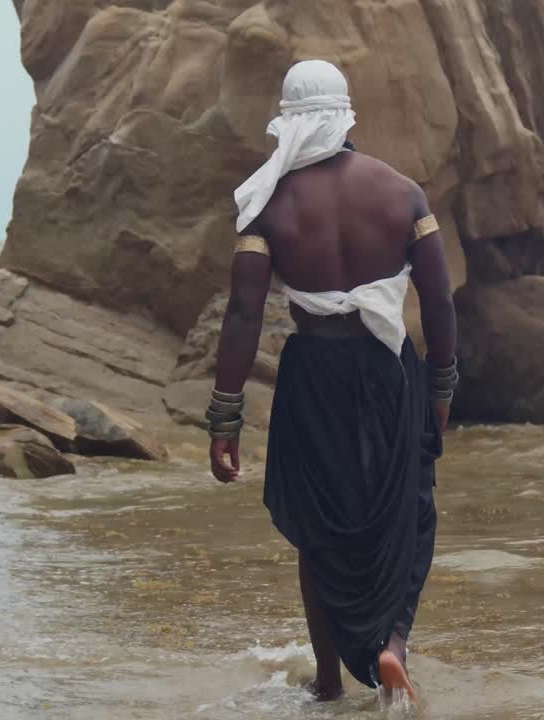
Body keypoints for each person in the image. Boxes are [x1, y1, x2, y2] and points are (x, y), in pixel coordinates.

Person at [206, 60, 457, 705]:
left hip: (312, 374)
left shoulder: (268, 204)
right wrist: (441, 389)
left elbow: (242, 314)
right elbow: (439, 301)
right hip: (386, 370)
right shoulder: (403, 193)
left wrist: (225, 417)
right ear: (347, 114)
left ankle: (325, 681)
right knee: (406, 508)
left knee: (319, 527)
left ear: (286, 122)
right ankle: (392, 646)